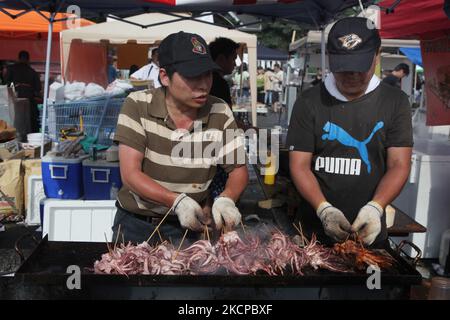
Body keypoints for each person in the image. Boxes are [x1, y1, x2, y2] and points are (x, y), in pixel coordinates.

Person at [287, 17, 413, 247]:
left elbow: (399, 164)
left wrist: (376, 207)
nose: (352, 75)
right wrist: (324, 209)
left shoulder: (395, 101)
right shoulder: (309, 102)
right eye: (343, 68)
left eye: (359, 67)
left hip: (369, 233)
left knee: (371, 283)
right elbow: (299, 165)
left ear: (377, 55)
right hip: (312, 234)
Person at [113, 31, 249, 243]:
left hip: (190, 226)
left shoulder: (219, 111)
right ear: (165, 77)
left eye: (207, 74)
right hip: (138, 224)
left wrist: (226, 199)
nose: (203, 84)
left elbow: (238, 169)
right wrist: (175, 201)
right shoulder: (138, 105)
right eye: (193, 76)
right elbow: (130, 174)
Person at [5, 51, 41, 133]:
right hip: (29, 97)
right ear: (28, 60)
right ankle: (27, 134)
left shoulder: (11, 68)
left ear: (19, 58)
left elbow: (6, 83)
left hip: (14, 96)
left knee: (15, 116)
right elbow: (38, 88)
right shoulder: (32, 71)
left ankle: (14, 132)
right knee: (28, 117)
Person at [208, 37, 239, 107]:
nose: (235, 64)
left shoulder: (205, 78)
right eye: (233, 59)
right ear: (221, 59)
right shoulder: (219, 83)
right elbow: (227, 115)